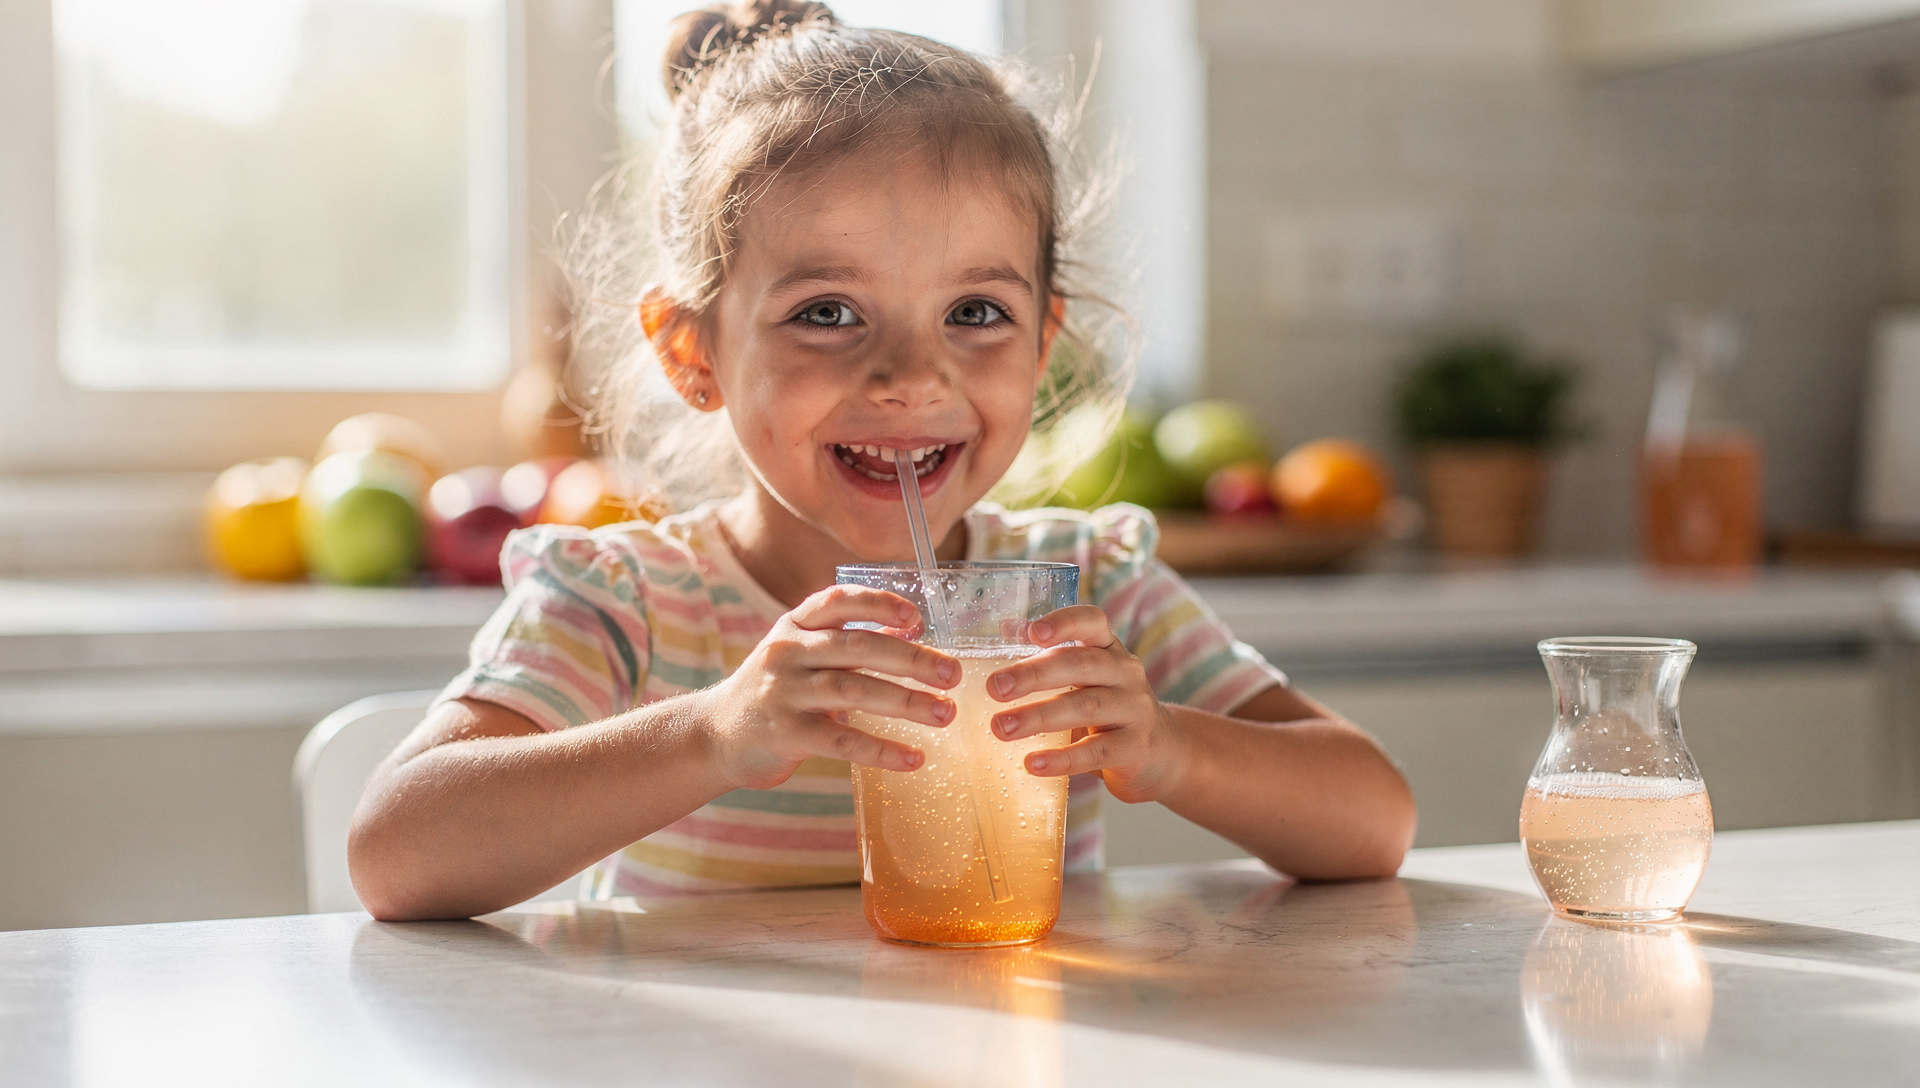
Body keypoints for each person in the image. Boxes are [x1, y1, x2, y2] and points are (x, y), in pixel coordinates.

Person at [349, 0, 1416, 921]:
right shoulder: (626, 603)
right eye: (827, 311)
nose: (912, 373)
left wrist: (1173, 747)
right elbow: (397, 850)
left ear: (1042, 348)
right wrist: (717, 731)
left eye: (975, 312)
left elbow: (1374, 818)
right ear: (695, 351)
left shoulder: (1089, 590)